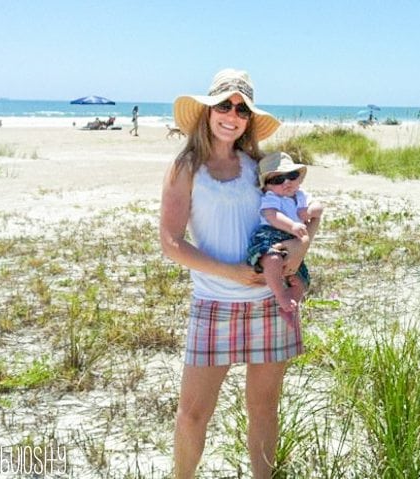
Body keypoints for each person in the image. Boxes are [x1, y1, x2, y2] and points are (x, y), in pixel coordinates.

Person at [160, 69, 320, 478]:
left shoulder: (260, 167)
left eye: (241, 109)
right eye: (224, 106)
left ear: (249, 119)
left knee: (264, 408)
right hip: (213, 303)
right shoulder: (186, 167)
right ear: (207, 111)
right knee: (193, 414)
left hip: (269, 301)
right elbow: (172, 243)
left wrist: (300, 250)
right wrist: (231, 273)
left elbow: (304, 213)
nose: (232, 115)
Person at [248, 152, 323, 327]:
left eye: (291, 176)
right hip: (270, 234)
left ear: (299, 179)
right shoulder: (272, 198)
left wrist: (310, 211)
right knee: (272, 259)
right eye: (277, 180)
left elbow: (320, 207)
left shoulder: (302, 196)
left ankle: (290, 307)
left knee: (301, 281)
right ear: (266, 186)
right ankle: (281, 294)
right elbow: (272, 215)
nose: (286, 182)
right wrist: (292, 226)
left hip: (293, 238)